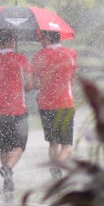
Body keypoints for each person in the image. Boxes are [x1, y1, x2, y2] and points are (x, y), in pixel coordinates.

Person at [0, 27, 34, 192]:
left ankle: (6, 175)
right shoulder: (21, 59)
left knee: (4, 146)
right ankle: (8, 169)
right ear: (12, 42)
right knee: (19, 145)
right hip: (18, 109)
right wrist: (23, 86)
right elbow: (30, 84)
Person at [32, 28, 78, 179]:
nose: (40, 41)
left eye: (41, 38)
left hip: (45, 105)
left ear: (48, 39)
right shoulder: (70, 54)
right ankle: (56, 167)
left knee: (53, 143)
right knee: (67, 146)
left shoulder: (38, 56)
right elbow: (73, 79)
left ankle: (55, 171)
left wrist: (41, 88)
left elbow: (34, 82)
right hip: (65, 103)